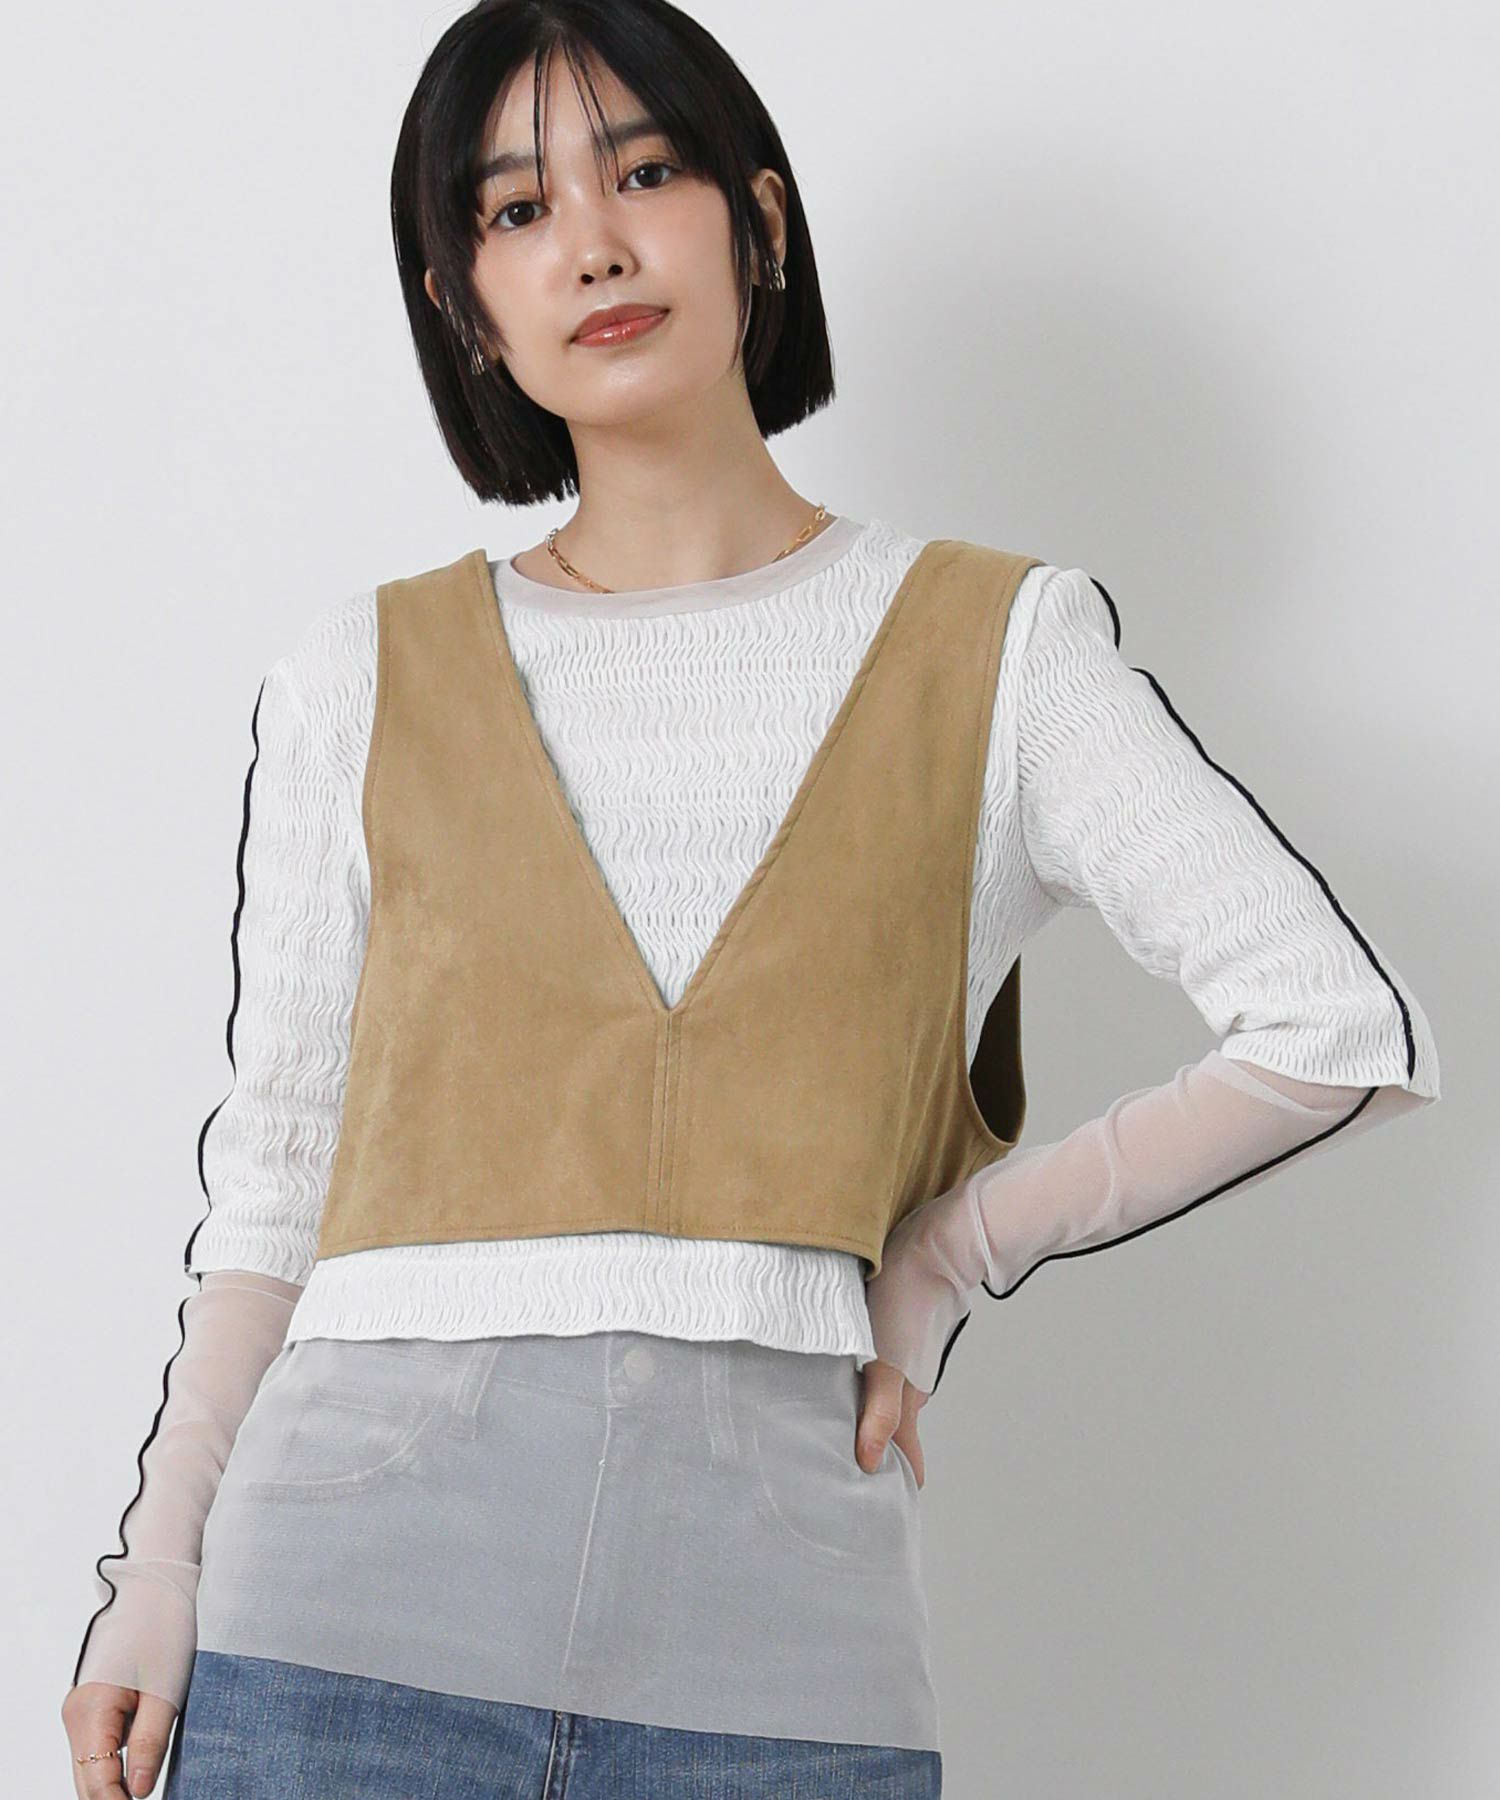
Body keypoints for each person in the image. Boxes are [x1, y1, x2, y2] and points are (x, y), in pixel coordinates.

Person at [60, 1, 1441, 1794]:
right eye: (518, 211)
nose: (594, 244)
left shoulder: (1002, 653)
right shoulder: (364, 674)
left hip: (779, 1658)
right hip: (341, 1628)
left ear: (760, 220)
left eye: (644, 174)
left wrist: (954, 1250)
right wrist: (156, 1574)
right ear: (465, 303)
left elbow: (1333, 1030)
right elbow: (276, 1183)